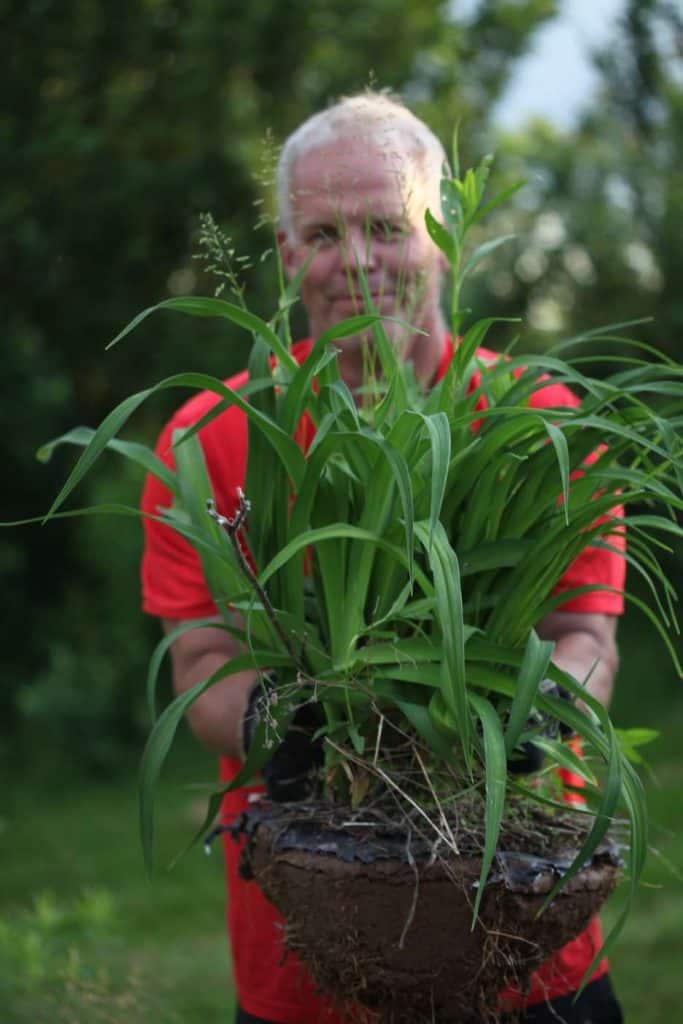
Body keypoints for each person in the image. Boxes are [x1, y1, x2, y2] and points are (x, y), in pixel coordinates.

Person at [140, 92, 626, 1024]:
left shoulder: (542, 425)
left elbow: (586, 637)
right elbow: (198, 662)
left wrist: (519, 718)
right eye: (321, 233)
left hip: (525, 936)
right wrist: (293, 725)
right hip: (309, 957)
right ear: (284, 257)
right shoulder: (209, 437)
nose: (355, 263)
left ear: (443, 237)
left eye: (387, 227)